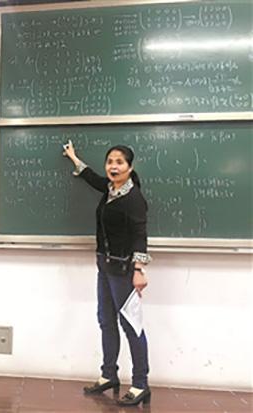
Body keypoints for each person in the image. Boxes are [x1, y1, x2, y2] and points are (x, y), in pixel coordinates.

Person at [63, 141, 152, 406]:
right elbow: (92, 178)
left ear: (130, 167)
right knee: (105, 320)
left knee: (130, 325)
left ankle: (140, 384)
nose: (114, 166)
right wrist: (74, 159)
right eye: (110, 162)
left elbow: (140, 235)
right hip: (104, 265)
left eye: (119, 162)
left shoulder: (133, 198)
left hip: (123, 268)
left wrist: (139, 270)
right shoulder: (110, 188)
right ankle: (109, 375)